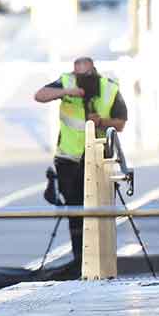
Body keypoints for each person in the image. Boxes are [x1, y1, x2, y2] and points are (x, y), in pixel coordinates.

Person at [34, 57, 128, 276]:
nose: (82, 81)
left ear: (94, 71)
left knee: (99, 211)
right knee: (75, 211)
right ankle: (80, 261)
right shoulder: (67, 83)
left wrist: (102, 122)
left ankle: (99, 261)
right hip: (69, 158)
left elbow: (121, 123)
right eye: (78, 76)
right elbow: (40, 95)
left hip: (98, 159)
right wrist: (67, 92)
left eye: (86, 76)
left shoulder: (109, 88)